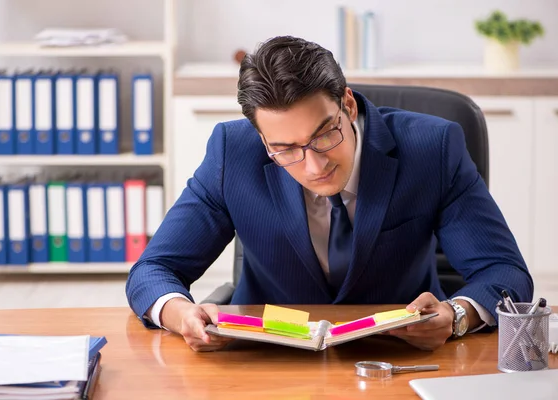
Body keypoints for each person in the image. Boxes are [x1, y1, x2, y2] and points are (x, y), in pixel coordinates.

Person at [125, 36, 533, 352]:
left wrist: (456, 315)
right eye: (285, 149)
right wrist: (180, 315)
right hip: (266, 358)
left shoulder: (433, 148)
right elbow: (153, 270)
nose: (314, 166)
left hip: (399, 358)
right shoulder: (233, 153)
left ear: (349, 105)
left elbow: (504, 273)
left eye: (324, 134)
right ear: (262, 138)